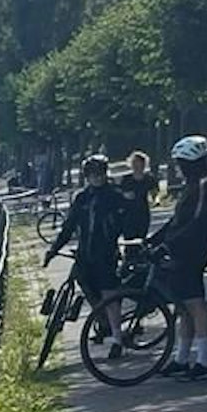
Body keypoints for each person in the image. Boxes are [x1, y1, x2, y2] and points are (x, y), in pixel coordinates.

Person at [46, 154, 127, 352]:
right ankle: (102, 322)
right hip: (84, 254)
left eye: (100, 174)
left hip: (106, 254)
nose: (96, 178)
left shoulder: (115, 196)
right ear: (87, 176)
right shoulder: (82, 198)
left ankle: (118, 338)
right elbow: (69, 226)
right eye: (92, 174)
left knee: (109, 296)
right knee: (89, 290)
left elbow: (126, 223)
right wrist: (53, 249)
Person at [154, 135, 207, 379]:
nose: (178, 167)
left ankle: (203, 361)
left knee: (195, 304)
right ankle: (182, 357)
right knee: (182, 307)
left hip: (192, 252)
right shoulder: (192, 186)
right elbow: (177, 220)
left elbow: (198, 222)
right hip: (181, 250)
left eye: (181, 163)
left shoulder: (205, 186)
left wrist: (169, 244)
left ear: (191, 163)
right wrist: (155, 240)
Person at [120, 151, 160, 240]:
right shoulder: (126, 179)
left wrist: (154, 199)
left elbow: (156, 193)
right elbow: (119, 194)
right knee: (129, 239)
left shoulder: (150, 179)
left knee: (142, 238)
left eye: (140, 163)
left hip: (143, 212)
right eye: (134, 163)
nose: (137, 166)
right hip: (128, 214)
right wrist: (124, 195)